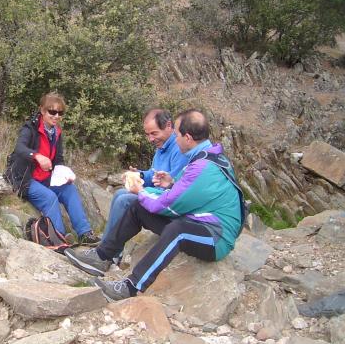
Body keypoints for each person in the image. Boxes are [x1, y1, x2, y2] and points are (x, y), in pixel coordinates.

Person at [64, 109, 242, 301]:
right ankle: (102, 256)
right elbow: (190, 192)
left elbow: (167, 205)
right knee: (137, 207)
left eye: (177, 135)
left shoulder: (203, 166)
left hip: (217, 236)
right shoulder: (204, 157)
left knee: (177, 231)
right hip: (198, 222)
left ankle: (131, 286)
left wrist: (140, 191)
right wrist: (171, 183)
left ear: (188, 138)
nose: (175, 139)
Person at [4, 92, 100, 244]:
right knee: (50, 198)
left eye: (60, 113)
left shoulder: (56, 133)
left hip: (45, 178)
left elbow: (58, 159)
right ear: (42, 110)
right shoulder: (30, 128)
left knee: (69, 189)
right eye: (52, 111)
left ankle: (85, 234)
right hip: (25, 179)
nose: (56, 116)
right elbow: (20, 148)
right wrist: (36, 156)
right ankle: (58, 239)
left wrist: (64, 174)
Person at [103, 108, 188, 260]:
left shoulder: (179, 149)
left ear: (169, 126)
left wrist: (142, 190)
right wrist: (140, 175)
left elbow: (174, 186)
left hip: (166, 205)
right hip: (156, 195)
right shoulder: (161, 147)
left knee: (125, 200)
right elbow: (154, 174)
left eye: (154, 133)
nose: (150, 139)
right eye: (147, 134)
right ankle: (108, 246)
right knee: (119, 193)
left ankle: (107, 254)